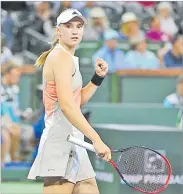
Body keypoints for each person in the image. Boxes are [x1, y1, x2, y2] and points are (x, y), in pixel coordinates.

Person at [27, 8, 111, 194]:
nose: (75, 31)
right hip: (60, 139)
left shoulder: (68, 58)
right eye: (69, 26)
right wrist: (96, 139)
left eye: (79, 26)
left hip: (74, 139)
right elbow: (66, 106)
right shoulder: (59, 57)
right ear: (58, 31)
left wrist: (97, 78)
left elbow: (75, 102)